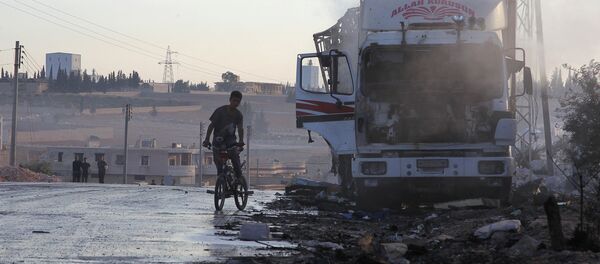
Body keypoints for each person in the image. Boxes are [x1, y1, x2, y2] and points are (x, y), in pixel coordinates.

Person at [203, 91, 245, 179]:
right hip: (218, 139)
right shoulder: (220, 111)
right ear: (230, 100)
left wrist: (241, 141)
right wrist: (207, 139)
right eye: (234, 101)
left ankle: (239, 177)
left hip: (231, 140)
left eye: (238, 101)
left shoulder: (238, 115)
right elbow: (211, 126)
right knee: (218, 160)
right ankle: (220, 178)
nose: (236, 103)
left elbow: (240, 129)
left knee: (235, 158)